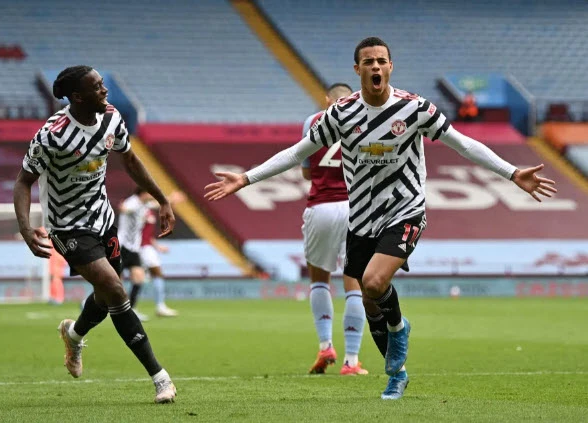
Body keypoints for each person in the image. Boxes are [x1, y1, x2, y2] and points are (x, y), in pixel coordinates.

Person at [204, 37, 557, 400]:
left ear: (390, 66)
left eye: (381, 61)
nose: (375, 66)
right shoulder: (341, 114)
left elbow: (463, 144)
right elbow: (297, 153)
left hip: (406, 210)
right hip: (361, 219)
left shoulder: (415, 108)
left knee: (373, 283)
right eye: (369, 61)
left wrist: (513, 172)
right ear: (357, 69)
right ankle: (397, 374)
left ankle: (399, 329)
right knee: (369, 302)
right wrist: (246, 178)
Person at [13, 65, 177, 404]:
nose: (105, 90)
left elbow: (131, 160)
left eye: (103, 84)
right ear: (77, 96)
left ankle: (73, 335)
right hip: (67, 226)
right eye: (97, 86)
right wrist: (27, 228)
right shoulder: (52, 135)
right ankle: (160, 378)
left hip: (103, 219)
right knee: (115, 289)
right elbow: (23, 181)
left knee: (105, 298)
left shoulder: (112, 118)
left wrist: (162, 199)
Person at [300, 83, 368, 376]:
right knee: (354, 282)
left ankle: (325, 345)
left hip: (321, 207)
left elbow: (306, 170)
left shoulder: (312, 121)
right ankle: (351, 361)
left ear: (328, 100)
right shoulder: (364, 120)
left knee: (319, 280)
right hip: (355, 208)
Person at [140, 199, 181, 317]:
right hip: (142, 248)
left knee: (141, 277)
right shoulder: (139, 209)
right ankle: (160, 307)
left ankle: (159, 306)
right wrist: (172, 199)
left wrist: (158, 247)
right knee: (152, 275)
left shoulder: (147, 209)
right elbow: (161, 203)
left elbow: (147, 235)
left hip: (145, 247)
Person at [118, 188, 153, 322]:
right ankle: (88, 303)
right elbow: (125, 208)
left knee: (139, 277)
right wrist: (123, 209)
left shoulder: (144, 204)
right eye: (149, 193)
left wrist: (171, 200)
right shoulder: (133, 202)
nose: (151, 195)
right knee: (115, 283)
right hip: (122, 246)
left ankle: (131, 310)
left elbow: (156, 204)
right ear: (143, 194)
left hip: (134, 248)